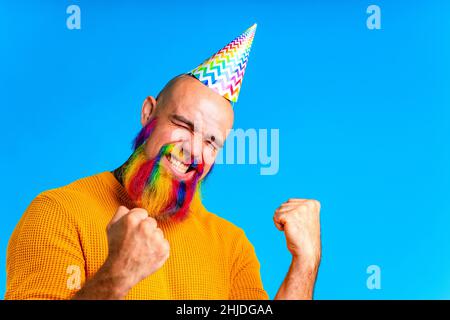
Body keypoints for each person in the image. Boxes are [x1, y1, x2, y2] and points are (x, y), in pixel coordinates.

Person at [5, 24, 321, 300]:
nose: (194, 151)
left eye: (211, 142)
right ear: (148, 113)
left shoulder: (231, 246)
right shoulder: (58, 212)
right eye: (183, 125)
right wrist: (118, 274)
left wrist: (305, 262)